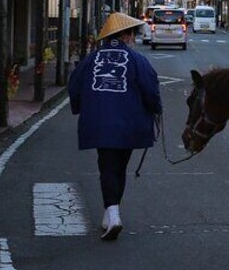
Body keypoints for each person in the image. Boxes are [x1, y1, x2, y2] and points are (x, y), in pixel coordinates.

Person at [68, 13, 162, 241]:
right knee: (119, 168)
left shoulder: (90, 60)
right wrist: (155, 109)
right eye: (132, 34)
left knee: (107, 167)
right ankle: (112, 215)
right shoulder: (138, 60)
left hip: (100, 122)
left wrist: (83, 108)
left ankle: (112, 215)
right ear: (127, 35)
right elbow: (151, 91)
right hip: (130, 124)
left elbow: (74, 88)